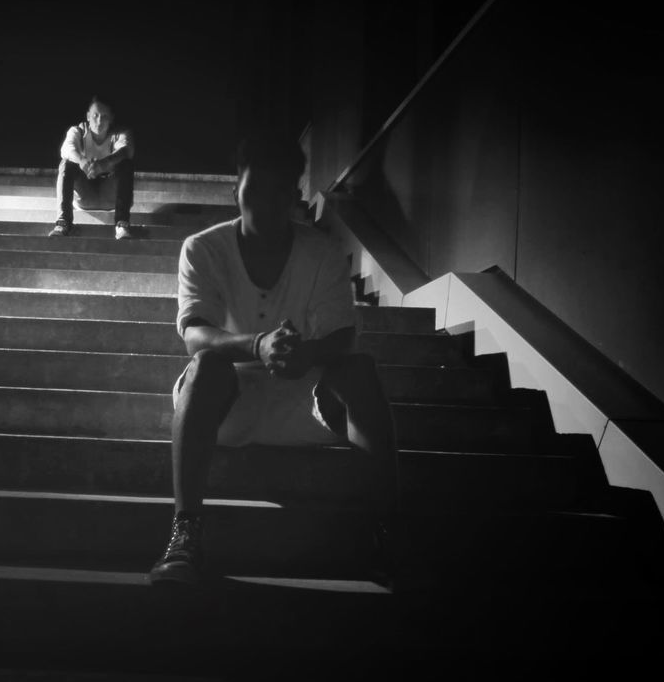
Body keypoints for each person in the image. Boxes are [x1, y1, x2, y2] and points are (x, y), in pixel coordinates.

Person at [148, 131, 401, 587]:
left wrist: (306, 354)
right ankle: (184, 534)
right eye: (254, 188)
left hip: (304, 402)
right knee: (204, 365)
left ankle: (384, 532)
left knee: (358, 369)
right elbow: (195, 334)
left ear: (294, 196)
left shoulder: (321, 252)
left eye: (278, 190)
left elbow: (342, 336)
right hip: (226, 403)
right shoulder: (202, 248)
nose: (265, 202)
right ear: (236, 190)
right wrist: (258, 345)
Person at [49, 96, 137, 240]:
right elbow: (67, 148)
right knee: (66, 163)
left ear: (111, 119)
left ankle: (122, 223)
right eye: (95, 115)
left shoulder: (120, 133)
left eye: (104, 117)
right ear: (88, 116)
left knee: (126, 164)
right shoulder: (78, 131)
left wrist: (104, 165)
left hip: (111, 195)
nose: (99, 121)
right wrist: (82, 161)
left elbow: (126, 150)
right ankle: (63, 222)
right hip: (85, 195)